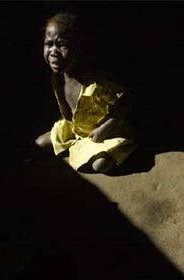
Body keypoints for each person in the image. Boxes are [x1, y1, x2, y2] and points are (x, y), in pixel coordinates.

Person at [35, 12, 136, 173]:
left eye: (62, 45)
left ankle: (95, 147)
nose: (53, 51)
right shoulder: (58, 78)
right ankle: (78, 145)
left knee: (100, 165)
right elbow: (69, 113)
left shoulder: (98, 82)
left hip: (104, 131)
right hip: (75, 128)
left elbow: (127, 101)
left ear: (80, 49)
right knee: (40, 143)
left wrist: (104, 128)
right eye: (49, 44)